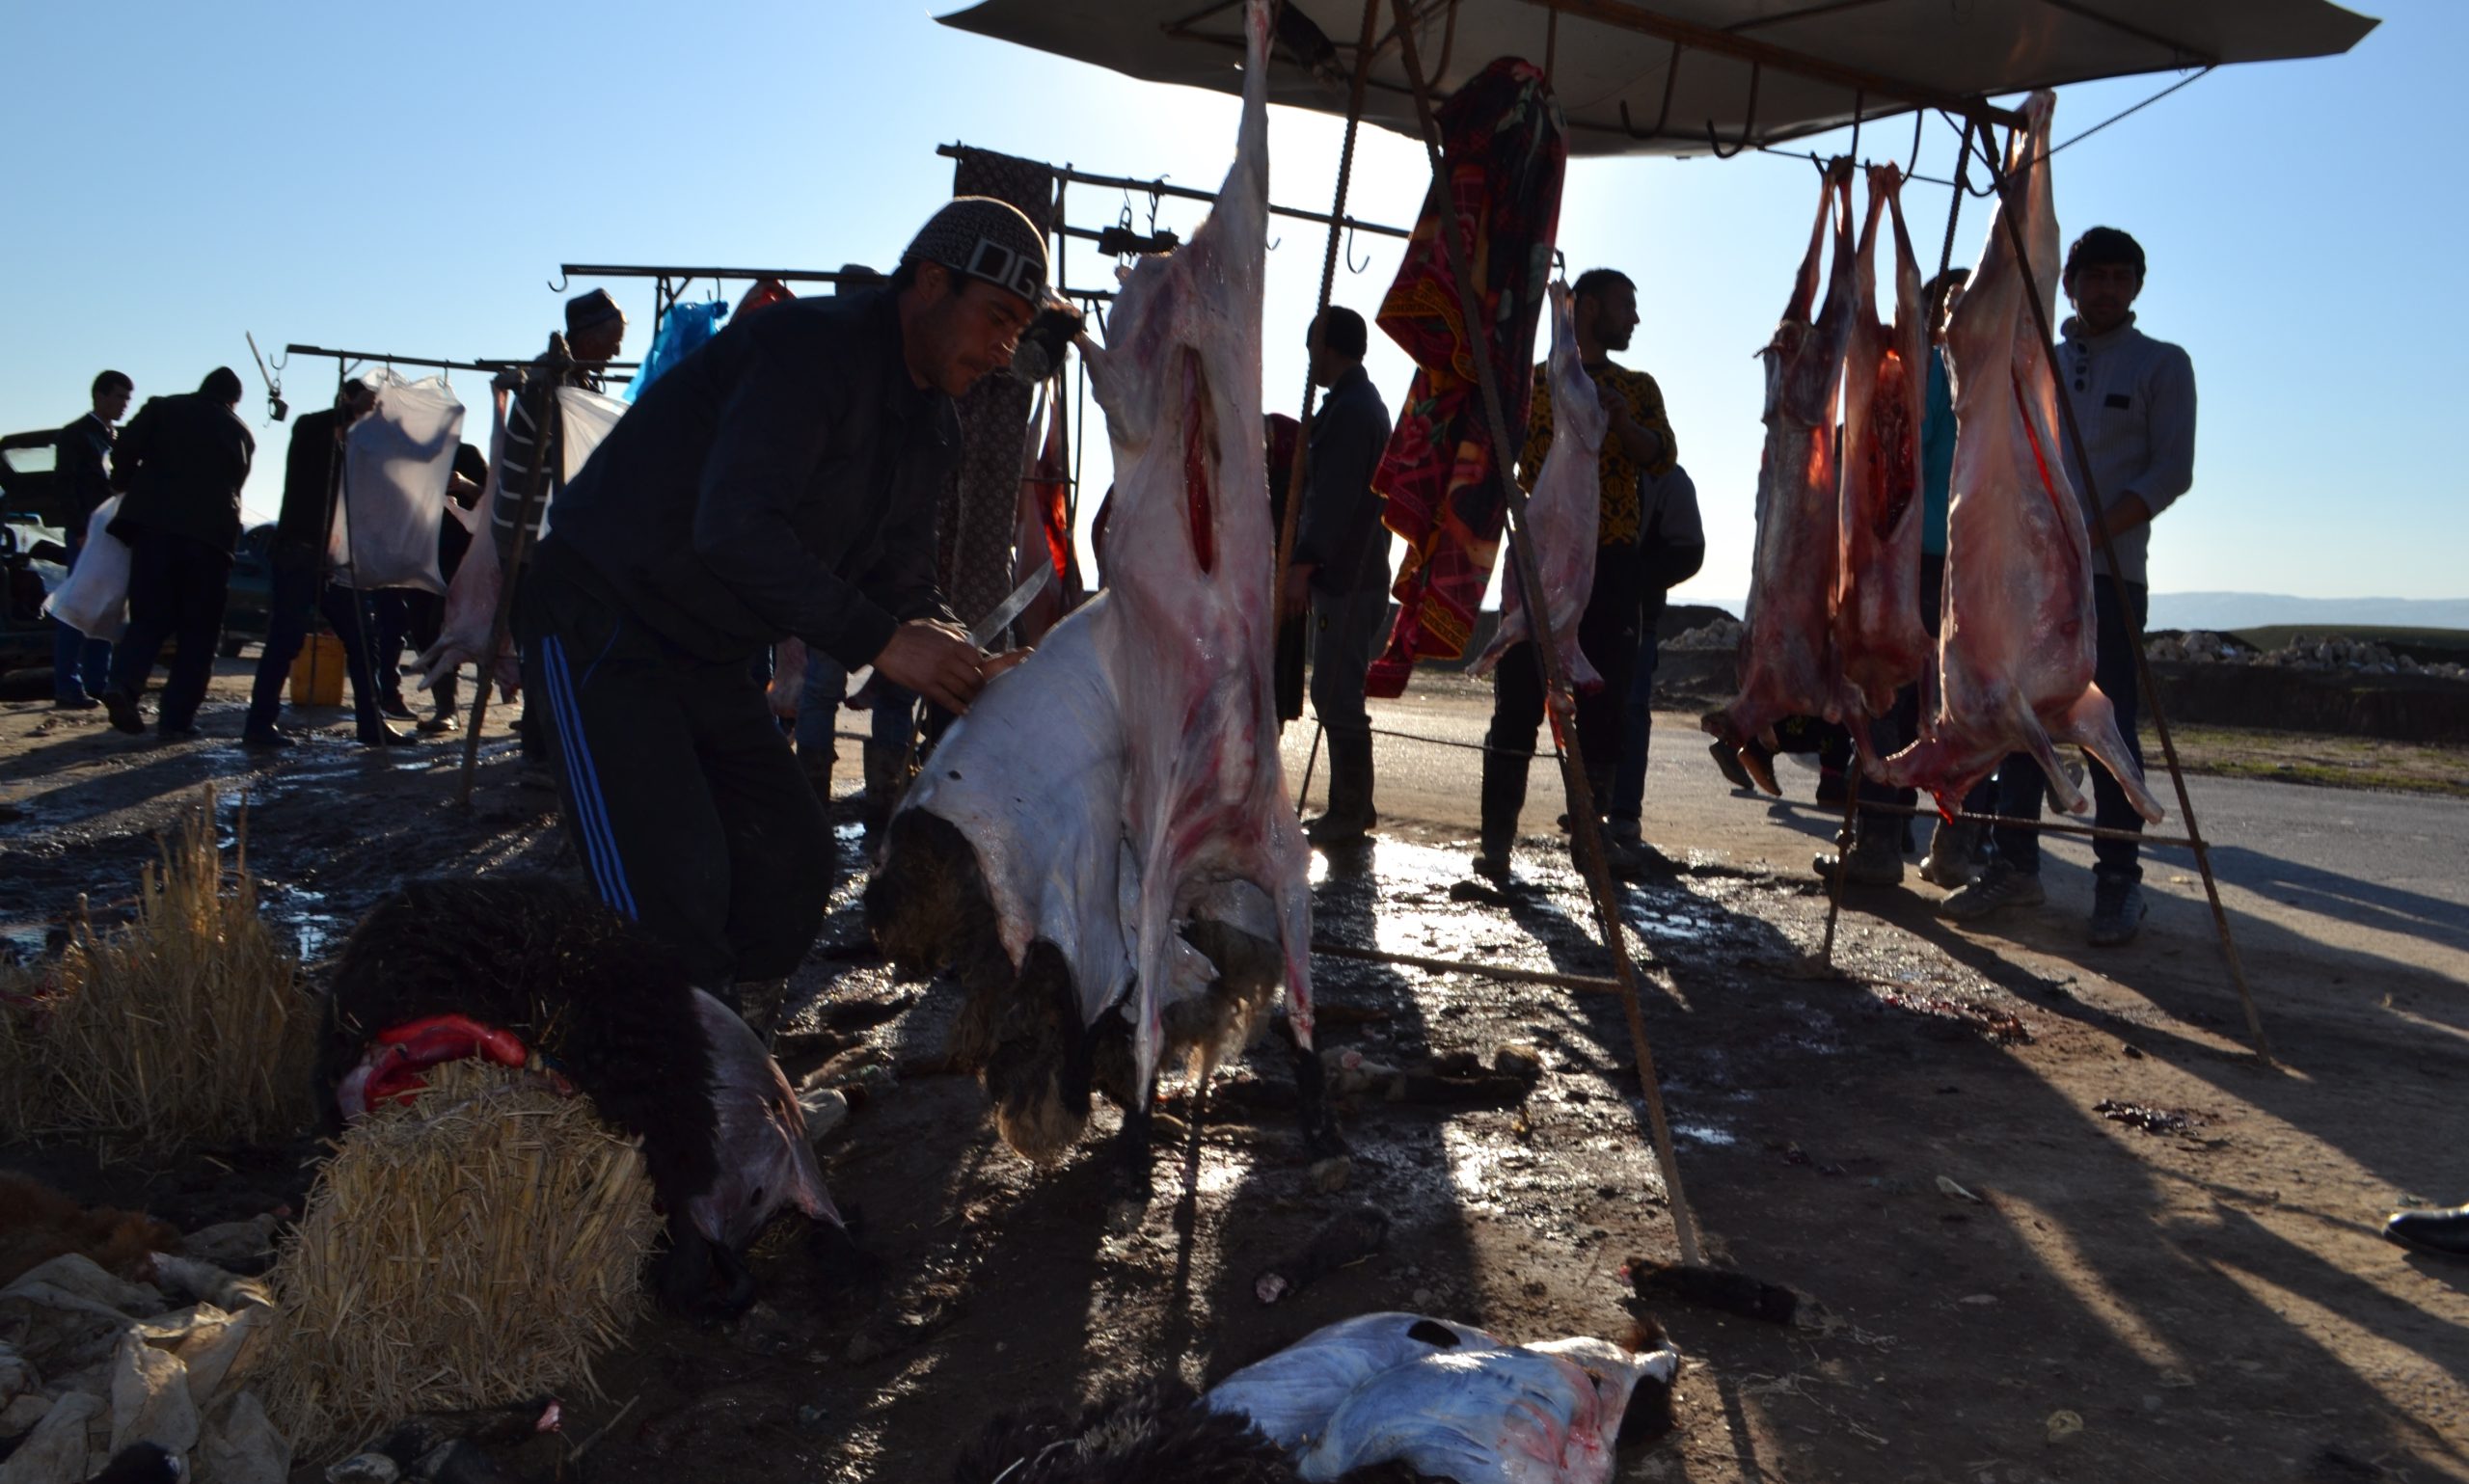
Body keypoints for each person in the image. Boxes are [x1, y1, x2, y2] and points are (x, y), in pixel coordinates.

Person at [517, 198, 1040, 1035]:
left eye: (1019, 329)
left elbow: (902, 573)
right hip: (604, 615)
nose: (1006, 348)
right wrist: (881, 641)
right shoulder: (809, 349)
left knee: (791, 862)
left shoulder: (933, 427)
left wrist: (949, 646)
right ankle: (671, 1079)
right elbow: (733, 530)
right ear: (931, 282)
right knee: (667, 891)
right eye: (999, 317)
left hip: (712, 650)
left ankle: (735, 1048)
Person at [1940, 227, 2195, 946]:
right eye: (2094, 277)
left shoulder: (2162, 365)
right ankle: (2013, 865)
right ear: (2070, 285)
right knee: (2018, 717)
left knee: (2105, 722)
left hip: (2108, 576)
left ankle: (2117, 882)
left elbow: (2170, 471)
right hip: (2023, 581)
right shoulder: (2037, 359)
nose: (2107, 289)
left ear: (2137, 286)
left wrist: (2087, 535)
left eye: (2121, 277)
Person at [1473, 268, 1676, 881]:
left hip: (1609, 563)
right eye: (1624, 306)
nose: (1634, 318)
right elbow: (1495, 452)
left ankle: (1591, 837)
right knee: (1517, 702)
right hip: (1538, 560)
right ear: (1585, 307)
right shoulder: (1533, 385)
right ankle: (1496, 844)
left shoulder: (1636, 388)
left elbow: (1662, 457)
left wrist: (1625, 425)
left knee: (1604, 704)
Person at [1816, 267, 1995, 888]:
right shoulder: (1938, 370)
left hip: (1943, 557)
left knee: (1926, 701)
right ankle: (1910, 843)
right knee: (1925, 701)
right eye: (1941, 305)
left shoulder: (1962, 369)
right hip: (1935, 555)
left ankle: (1919, 841)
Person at [241, 379, 419, 749]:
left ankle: (371, 725)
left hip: (333, 561)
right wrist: (353, 408)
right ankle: (259, 725)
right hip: (298, 553)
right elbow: (316, 423)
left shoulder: (352, 453)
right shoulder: (311, 431)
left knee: (362, 639)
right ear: (346, 402)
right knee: (285, 639)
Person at [496, 288, 628, 778]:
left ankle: (549, 742)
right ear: (589, 336)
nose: (617, 350)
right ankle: (540, 748)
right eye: (613, 339)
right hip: (527, 539)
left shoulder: (577, 381)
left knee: (558, 643)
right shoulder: (548, 381)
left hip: (548, 538)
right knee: (544, 645)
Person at [1282, 306, 1394, 847]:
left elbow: (1333, 501)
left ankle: (1350, 810)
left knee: (1335, 693)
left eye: (1312, 350)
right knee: (1336, 689)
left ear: (1328, 348)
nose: (1310, 362)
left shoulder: (1351, 412)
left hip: (1348, 577)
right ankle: (1354, 807)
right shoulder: (1355, 405)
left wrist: (1304, 565)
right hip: (1354, 575)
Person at [100, 369, 254, 739]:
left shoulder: (163, 408)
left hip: (155, 532)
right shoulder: (240, 432)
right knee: (199, 634)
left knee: (148, 619)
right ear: (233, 401)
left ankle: (123, 685)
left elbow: (124, 447)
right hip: (211, 542)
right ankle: (176, 721)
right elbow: (236, 482)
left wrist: (125, 483)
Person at [1607, 462, 1705, 856]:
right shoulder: (1597, 462)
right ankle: (1594, 801)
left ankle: (1623, 812)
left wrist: (1636, 580)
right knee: (1592, 705)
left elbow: (1690, 550)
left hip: (1637, 617)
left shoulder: (1667, 479)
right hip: (1589, 609)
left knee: (1631, 709)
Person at [50, 370, 132, 711]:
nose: (124, 404)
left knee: (107, 610)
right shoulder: (77, 435)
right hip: (87, 533)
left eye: (127, 399)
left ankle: (98, 682)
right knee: (77, 608)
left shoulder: (117, 438)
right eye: (119, 397)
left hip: (112, 535)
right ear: (100, 396)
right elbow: (65, 485)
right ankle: (67, 685)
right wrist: (79, 529)